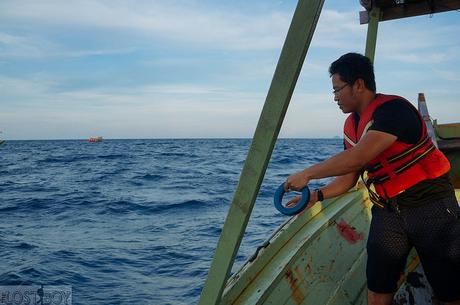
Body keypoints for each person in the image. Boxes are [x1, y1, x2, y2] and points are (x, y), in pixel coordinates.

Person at [284, 53, 460, 305]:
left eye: (337, 90)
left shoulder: (394, 110)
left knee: (449, 290)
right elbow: (348, 178)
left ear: (358, 84)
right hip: (388, 211)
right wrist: (316, 195)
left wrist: (307, 173)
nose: (334, 98)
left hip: (430, 204)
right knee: (378, 288)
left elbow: (359, 157)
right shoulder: (352, 126)